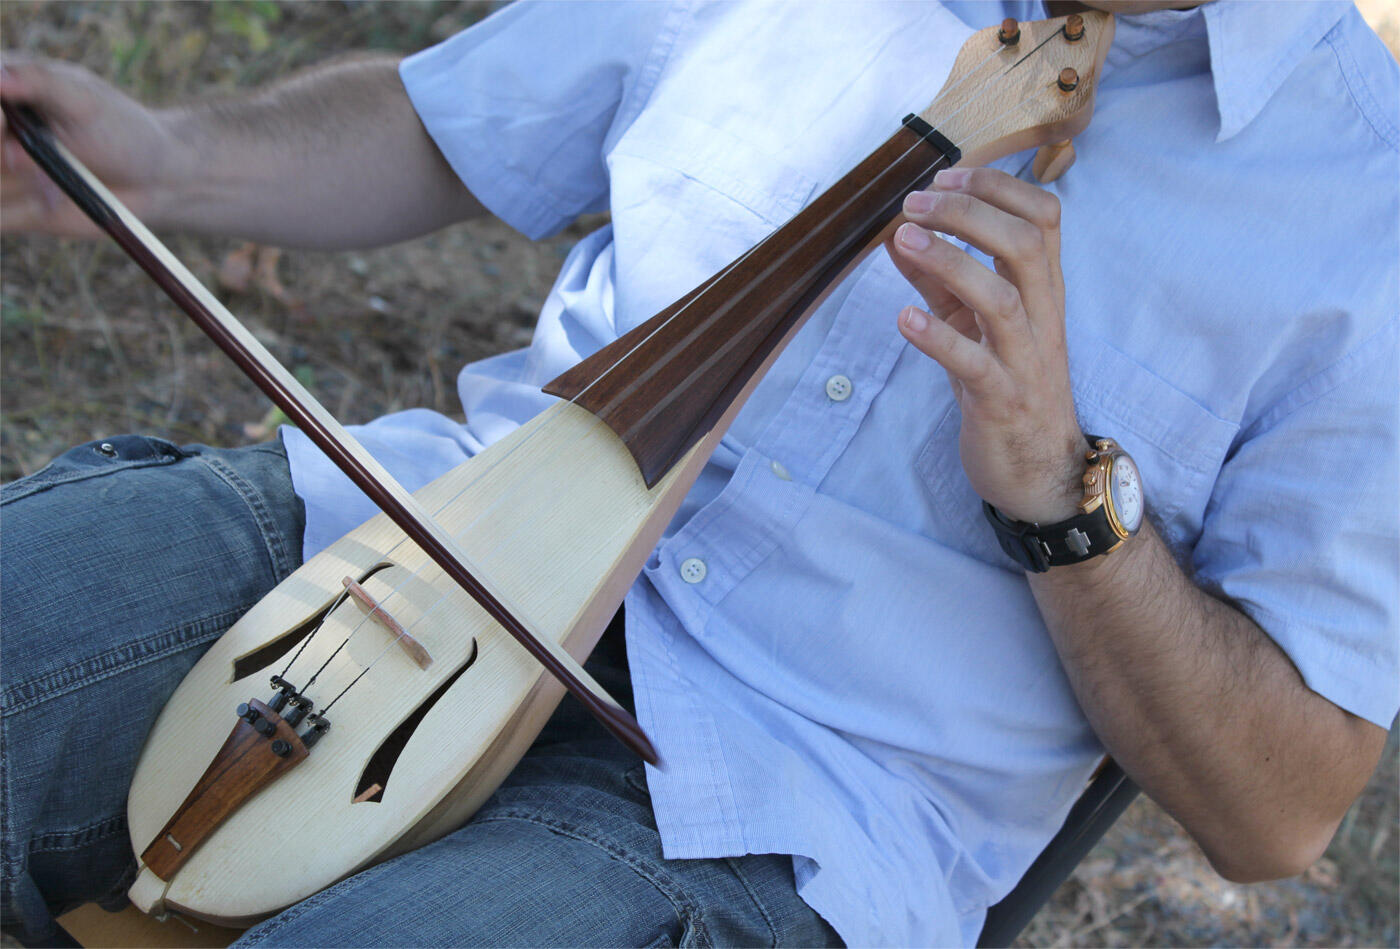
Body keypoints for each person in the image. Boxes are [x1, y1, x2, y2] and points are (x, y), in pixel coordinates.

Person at [2, 1, 1396, 945]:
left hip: (782, 805)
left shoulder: (1366, 219)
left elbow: (1279, 808)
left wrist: (1062, 492)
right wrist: (167, 161)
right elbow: (453, 123)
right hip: (409, 555)